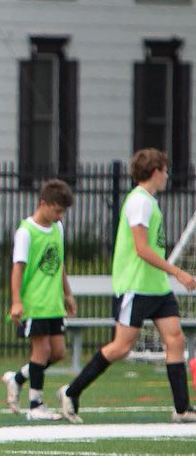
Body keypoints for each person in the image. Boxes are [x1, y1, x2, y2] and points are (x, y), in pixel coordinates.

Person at [59, 149, 196, 424]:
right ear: (155, 171)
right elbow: (142, 248)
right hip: (136, 286)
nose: (167, 175)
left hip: (156, 287)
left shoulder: (149, 202)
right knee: (121, 347)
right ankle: (71, 392)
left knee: (175, 340)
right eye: (165, 170)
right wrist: (178, 273)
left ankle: (182, 408)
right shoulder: (140, 202)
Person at [2, 179, 76, 420]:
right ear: (43, 204)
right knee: (41, 349)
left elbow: (60, 263)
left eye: (62, 211)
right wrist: (16, 301)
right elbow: (18, 269)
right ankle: (35, 406)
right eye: (56, 210)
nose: (59, 215)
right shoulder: (26, 232)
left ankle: (18, 378)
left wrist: (67, 293)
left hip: (53, 301)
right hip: (35, 302)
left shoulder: (58, 228)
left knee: (57, 352)